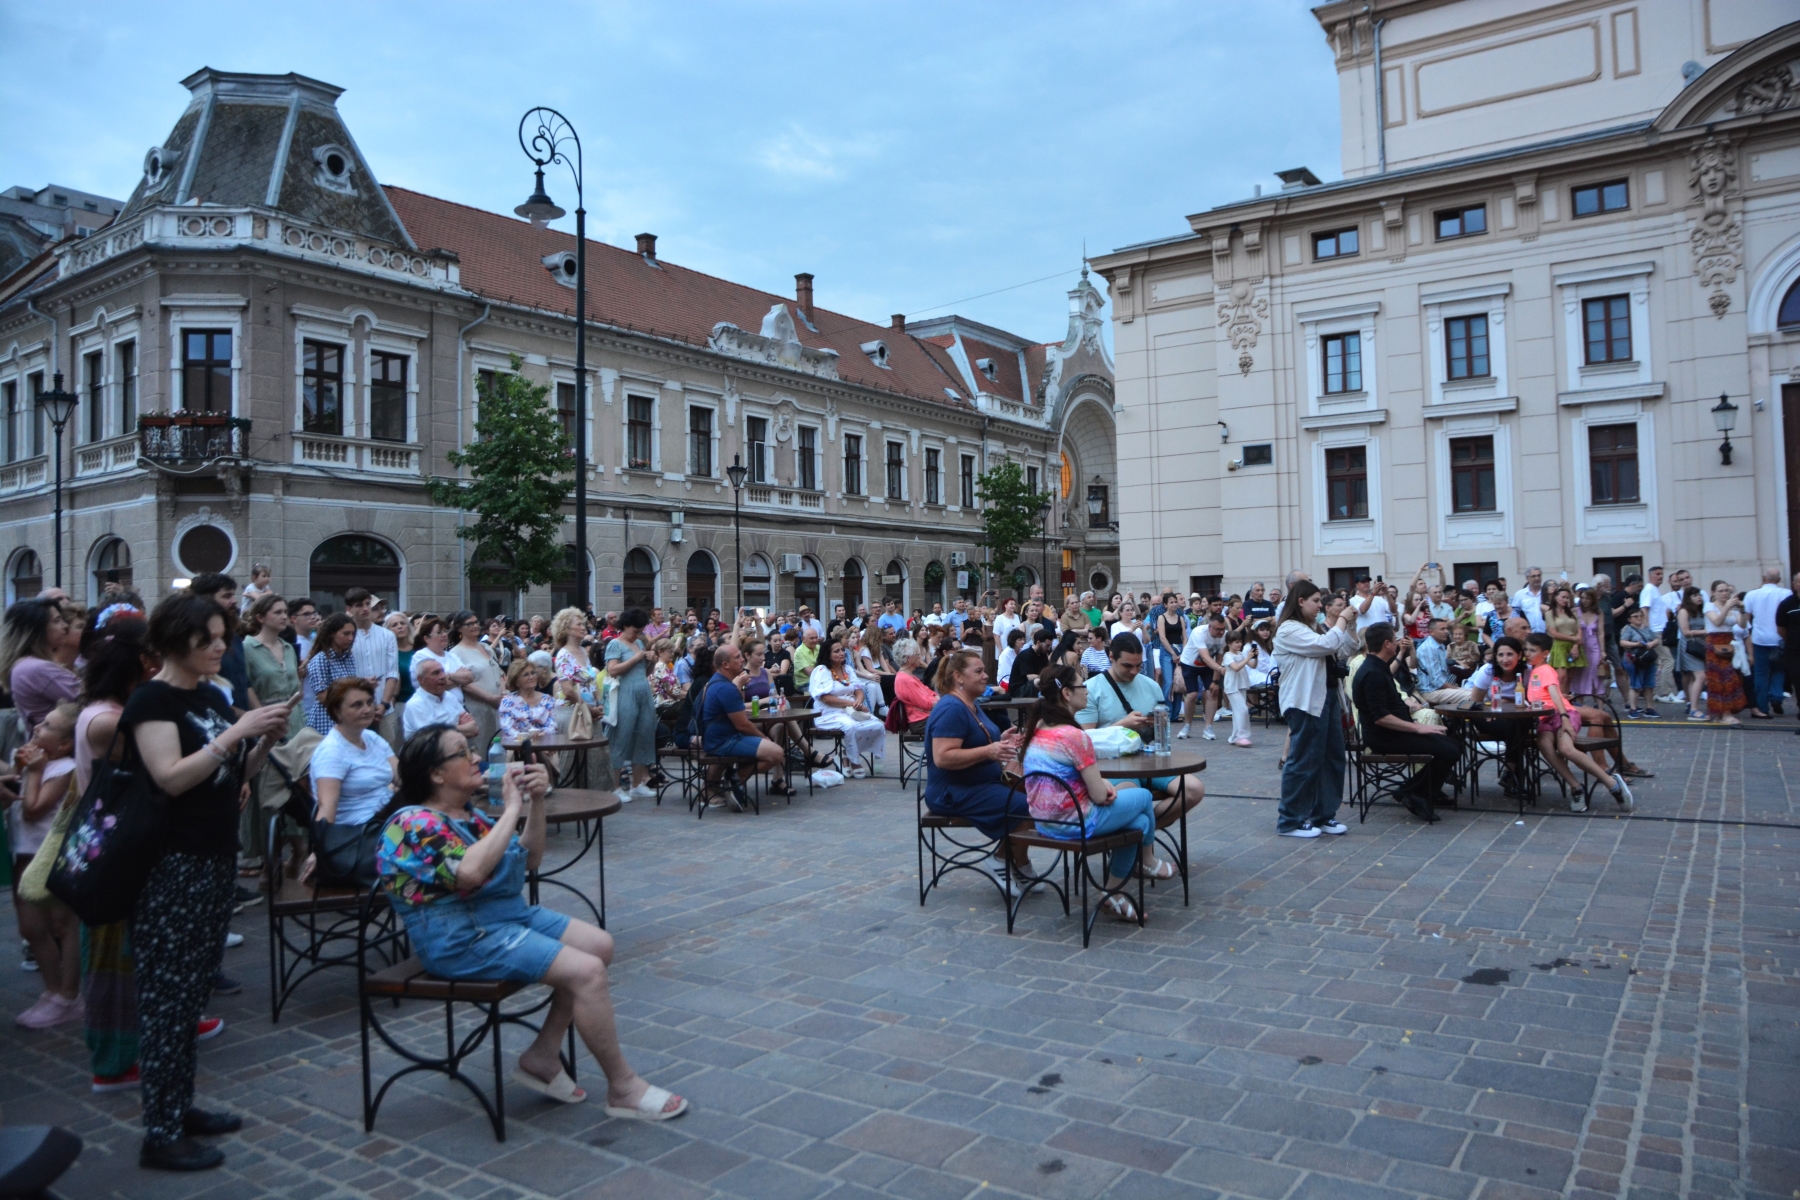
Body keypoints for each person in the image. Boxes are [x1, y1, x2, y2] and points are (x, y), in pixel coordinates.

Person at [377, 725, 686, 1121]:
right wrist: (509, 809)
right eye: (462, 752)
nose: (475, 757)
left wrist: (535, 802)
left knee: (599, 946)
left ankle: (542, 1055)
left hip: (503, 918)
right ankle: (623, 1087)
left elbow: (531, 859)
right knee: (587, 972)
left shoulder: (467, 815)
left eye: (471, 748)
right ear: (436, 774)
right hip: (461, 938)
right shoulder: (413, 823)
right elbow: (468, 874)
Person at [126, 593, 292, 1171]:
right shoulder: (152, 701)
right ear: (177, 641)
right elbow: (170, 778)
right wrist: (236, 731)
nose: (222, 647)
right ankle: (160, 1130)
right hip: (171, 863)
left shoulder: (208, 696)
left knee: (192, 990)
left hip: (213, 857)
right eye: (210, 639)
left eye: (224, 636)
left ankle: (180, 1105)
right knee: (168, 998)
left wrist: (264, 737)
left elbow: (231, 771)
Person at [1020, 663, 1167, 923]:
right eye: (1082, 686)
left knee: (1141, 822)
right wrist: (1105, 790)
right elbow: (1099, 797)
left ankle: (1114, 892)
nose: (1087, 691)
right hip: (1075, 822)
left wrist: (1104, 788)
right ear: (1067, 693)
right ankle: (1146, 864)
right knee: (1143, 796)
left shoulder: (1039, 728)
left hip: (1044, 821)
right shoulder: (1074, 736)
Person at [924, 650, 1031, 891]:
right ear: (958, 677)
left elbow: (975, 738)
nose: (986, 676)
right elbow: (943, 757)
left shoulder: (968, 703)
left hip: (977, 784)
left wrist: (1001, 741)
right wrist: (988, 752)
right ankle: (1004, 860)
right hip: (953, 791)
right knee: (1024, 806)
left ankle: (1014, 860)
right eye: (979, 671)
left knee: (1035, 796)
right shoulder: (951, 707)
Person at [10, 701, 82, 1028]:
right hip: (24, 855)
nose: (38, 727)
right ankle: (52, 991)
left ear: (65, 744)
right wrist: (20, 768)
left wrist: (35, 772)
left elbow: (33, 810)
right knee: (31, 928)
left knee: (62, 925)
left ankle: (69, 994)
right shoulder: (39, 764)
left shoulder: (64, 769)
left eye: (48, 727)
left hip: (49, 858)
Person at [1272, 581, 1356, 839]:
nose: (1321, 606)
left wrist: (1347, 624)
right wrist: (1341, 618)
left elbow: (1347, 648)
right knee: (1304, 760)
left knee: (1332, 758)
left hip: (1327, 697)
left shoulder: (1313, 627)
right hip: (1305, 701)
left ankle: (1323, 814)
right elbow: (1325, 646)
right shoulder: (1288, 629)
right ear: (1300, 601)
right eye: (1317, 601)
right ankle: (1290, 820)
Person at [1351, 624, 1456, 823]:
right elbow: (1381, 718)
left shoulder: (1379, 667)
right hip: (1384, 738)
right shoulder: (1372, 672)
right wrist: (1419, 727)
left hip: (1394, 732)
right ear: (1387, 644)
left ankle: (1411, 790)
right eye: (1395, 638)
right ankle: (1417, 794)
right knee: (1449, 750)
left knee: (1452, 744)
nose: (1399, 641)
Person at [1522, 633, 1633, 812]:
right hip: (1545, 718)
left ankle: (1612, 784)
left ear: (1545, 653)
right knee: (1544, 745)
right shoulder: (1534, 671)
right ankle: (1575, 787)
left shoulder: (1546, 670)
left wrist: (1565, 718)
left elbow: (1554, 694)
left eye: (1532, 650)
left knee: (1566, 748)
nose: (1527, 653)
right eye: (1526, 649)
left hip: (1561, 714)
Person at [697, 643, 789, 807]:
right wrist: (764, 738)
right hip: (723, 741)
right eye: (737, 657)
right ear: (725, 664)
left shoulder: (719, 681)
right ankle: (735, 778)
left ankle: (734, 777)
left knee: (773, 743)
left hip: (722, 738)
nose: (742, 660)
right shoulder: (725, 687)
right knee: (776, 753)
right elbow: (743, 726)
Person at [309, 678, 397, 833]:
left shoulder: (372, 738)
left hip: (388, 816)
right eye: (357, 705)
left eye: (370, 702)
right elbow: (327, 807)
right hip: (360, 830)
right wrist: (320, 850)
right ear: (337, 711)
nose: (368, 709)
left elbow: (403, 775)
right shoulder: (332, 752)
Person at [602, 607, 658, 801]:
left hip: (643, 692)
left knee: (643, 735)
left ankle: (637, 784)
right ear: (625, 626)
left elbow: (645, 672)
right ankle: (615, 786)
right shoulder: (615, 645)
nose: (638, 634)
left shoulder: (640, 643)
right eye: (635, 630)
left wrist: (651, 661)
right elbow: (612, 670)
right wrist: (636, 658)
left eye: (640, 630)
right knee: (621, 736)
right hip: (625, 693)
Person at [809, 639, 886, 777]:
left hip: (851, 711)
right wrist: (850, 703)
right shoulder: (821, 670)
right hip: (828, 712)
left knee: (877, 725)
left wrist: (858, 701)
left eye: (842, 650)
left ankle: (846, 753)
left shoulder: (848, 669)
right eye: (836, 651)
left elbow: (859, 690)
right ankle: (854, 761)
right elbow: (825, 698)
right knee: (850, 727)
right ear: (827, 654)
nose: (841, 653)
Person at [2, 597, 80, 730]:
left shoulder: (24, 665)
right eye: (57, 621)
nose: (65, 626)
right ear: (36, 630)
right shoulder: (37, 668)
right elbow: (89, 698)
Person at [447, 611, 504, 754]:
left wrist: (503, 694)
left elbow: (499, 673)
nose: (475, 626)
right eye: (469, 624)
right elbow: (463, 683)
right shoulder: (456, 653)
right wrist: (489, 698)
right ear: (459, 628)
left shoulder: (485, 647)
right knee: (481, 749)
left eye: (476, 622)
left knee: (498, 749)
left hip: (498, 707)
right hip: (477, 708)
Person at [301, 614, 359, 735]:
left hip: (346, 718)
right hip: (327, 720)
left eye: (353, 634)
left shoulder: (348, 657)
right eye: (346, 634)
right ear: (332, 634)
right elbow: (322, 696)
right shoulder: (321, 659)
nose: (350, 638)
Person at [1743, 567, 1790, 719]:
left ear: (1764, 578)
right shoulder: (1785, 593)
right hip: (1779, 638)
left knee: (1761, 673)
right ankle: (1776, 697)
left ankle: (1762, 706)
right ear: (1779, 580)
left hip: (1760, 638)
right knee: (1779, 670)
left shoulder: (1752, 594)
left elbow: (1747, 617)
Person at [1701, 581, 1747, 725]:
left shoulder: (1732, 608)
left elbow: (1743, 625)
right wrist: (1727, 606)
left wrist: (1742, 610)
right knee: (1720, 678)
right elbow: (1717, 622)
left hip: (1728, 644)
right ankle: (1723, 713)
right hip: (1715, 644)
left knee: (1731, 677)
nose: (1725, 594)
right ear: (1713, 592)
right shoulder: (1709, 606)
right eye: (1721, 591)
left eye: (1727, 591)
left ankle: (1723, 713)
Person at [404, 658, 479, 742]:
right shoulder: (416, 704)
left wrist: (443, 728)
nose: (443, 676)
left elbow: (474, 729)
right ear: (421, 679)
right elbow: (433, 739)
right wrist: (459, 726)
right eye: (435, 673)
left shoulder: (449, 696)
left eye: (442, 671)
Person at [497, 660, 556, 741]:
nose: (531, 677)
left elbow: (552, 727)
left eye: (533, 673)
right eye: (526, 675)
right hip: (518, 748)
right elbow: (509, 730)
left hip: (544, 744)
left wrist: (538, 742)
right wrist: (530, 743)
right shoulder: (507, 702)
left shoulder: (548, 700)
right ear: (516, 682)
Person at [1618, 606, 1660, 717]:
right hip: (1634, 660)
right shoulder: (1628, 629)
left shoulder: (1646, 628)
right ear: (1629, 619)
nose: (1639, 618)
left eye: (1641, 615)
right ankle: (1633, 708)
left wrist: (1652, 643)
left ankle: (1650, 708)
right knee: (1636, 684)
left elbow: (1656, 639)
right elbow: (1622, 642)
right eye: (1635, 616)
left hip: (1648, 659)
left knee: (1649, 684)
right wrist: (1636, 644)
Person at [1219, 630, 1253, 747]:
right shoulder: (1228, 656)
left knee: (1239, 711)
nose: (1239, 644)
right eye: (1236, 642)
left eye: (1240, 642)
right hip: (1232, 686)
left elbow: (1253, 665)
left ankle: (1235, 736)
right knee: (1242, 709)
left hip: (1241, 684)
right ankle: (1241, 736)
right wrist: (1247, 658)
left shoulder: (1241, 654)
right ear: (1229, 643)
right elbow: (1236, 667)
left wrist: (1254, 657)